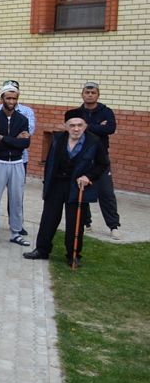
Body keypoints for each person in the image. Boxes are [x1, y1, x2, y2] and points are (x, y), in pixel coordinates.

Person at [24, 110, 108, 265]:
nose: (76, 129)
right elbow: (50, 163)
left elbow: (103, 164)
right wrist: (46, 185)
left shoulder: (94, 141)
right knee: (48, 219)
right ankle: (42, 250)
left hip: (77, 186)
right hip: (57, 184)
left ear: (85, 126)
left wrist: (89, 177)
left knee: (74, 221)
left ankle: (73, 255)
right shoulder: (58, 139)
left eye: (80, 125)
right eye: (72, 125)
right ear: (66, 126)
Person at [70, 81, 121, 238]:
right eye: (87, 92)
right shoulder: (77, 112)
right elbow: (74, 130)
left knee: (106, 193)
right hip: (82, 157)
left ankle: (114, 226)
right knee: (82, 190)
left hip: (101, 159)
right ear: (82, 94)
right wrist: (98, 126)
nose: (90, 95)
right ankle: (86, 223)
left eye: (93, 93)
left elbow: (110, 128)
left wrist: (87, 126)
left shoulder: (106, 111)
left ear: (98, 95)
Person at [0, 81, 31, 247]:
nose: (11, 101)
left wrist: (4, 138)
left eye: (14, 98)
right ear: (2, 98)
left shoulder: (22, 119)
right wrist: (14, 139)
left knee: (16, 199)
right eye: (8, 98)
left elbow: (25, 144)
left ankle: (16, 232)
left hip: (17, 163)